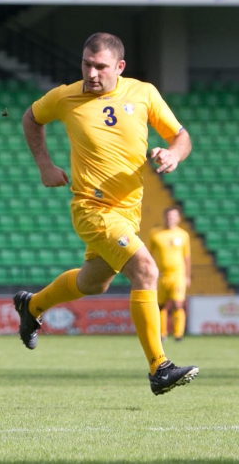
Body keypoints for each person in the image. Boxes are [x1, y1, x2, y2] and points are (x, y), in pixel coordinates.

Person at [14, 32, 198, 395]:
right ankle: (159, 367)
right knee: (146, 270)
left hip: (128, 212)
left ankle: (31, 306)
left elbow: (181, 136)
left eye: (100, 66)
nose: (92, 73)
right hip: (92, 207)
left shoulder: (143, 93)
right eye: (86, 64)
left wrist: (174, 154)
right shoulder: (66, 96)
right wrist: (45, 166)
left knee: (92, 283)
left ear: (120, 67)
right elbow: (31, 119)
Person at [148, 206, 191, 342]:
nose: (170, 219)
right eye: (167, 216)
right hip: (160, 275)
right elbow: (149, 254)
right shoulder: (155, 234)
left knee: (178, 304)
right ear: (164, 217)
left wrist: (187, 276)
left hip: (177, 275)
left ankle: (178, 334)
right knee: (160, 305)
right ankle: (162, 334)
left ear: (178, 218)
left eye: (173, 216)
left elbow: (187, 257)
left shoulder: (183, 235)